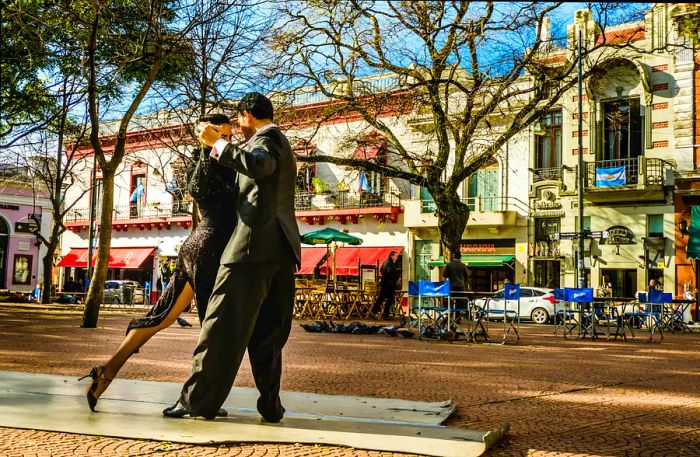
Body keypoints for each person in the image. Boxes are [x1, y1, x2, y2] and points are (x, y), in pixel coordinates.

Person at [80, 113, 238, 413]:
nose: (227, 140)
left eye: (229, 135)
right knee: (212, 328)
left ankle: (106, 372)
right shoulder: (209, 163)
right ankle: (197, 398)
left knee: (162, 316)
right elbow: (201, 190)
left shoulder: (214, 161)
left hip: (199, 246)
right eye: (221, 134)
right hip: (210, 249)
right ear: (206, 134)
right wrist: (210, 146)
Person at [163, 92, 301, 422]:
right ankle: (270, 404)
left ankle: (196, 402)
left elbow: (258, 166)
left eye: (238, 121)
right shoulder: (284, 143)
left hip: (249, 251)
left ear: (246, 116)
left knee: (219, 326)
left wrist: (217, 145)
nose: (237, 128)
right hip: (282, 251)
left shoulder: (264, 142)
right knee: (269, 333)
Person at [373, 251, 399, 319]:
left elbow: (381, 270)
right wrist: (396, 276)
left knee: (381, 298)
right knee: (390, 299)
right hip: (389, 284)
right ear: (392, 256)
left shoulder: (385, 262)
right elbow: (390, 273)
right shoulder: (391, 263)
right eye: (396, 256)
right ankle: (385, 314)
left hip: (384, 283)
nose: (397, 257)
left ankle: (374, 311)